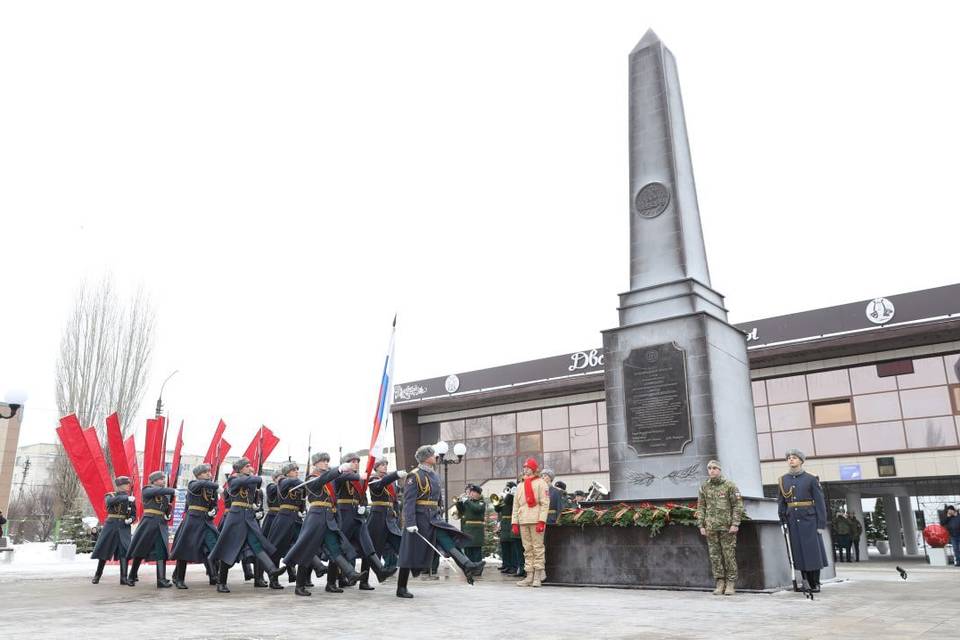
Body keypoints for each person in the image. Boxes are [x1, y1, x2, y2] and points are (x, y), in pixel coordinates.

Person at [396, 445, 484, 598]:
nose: (435, 456)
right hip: (419, 519)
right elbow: (408, 502)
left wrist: (440, 509)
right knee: (408, 553)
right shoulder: (415, 475)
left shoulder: (433, 475)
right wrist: (410, 522)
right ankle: (401, 588)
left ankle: (467, 565)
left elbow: (438, 497)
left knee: (447, 539)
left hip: (433, 518)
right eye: (432, 454)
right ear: (425, 457)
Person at [284, 452, 364, 596]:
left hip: (329, 516)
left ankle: (341, 578)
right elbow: (323, 480)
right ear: (315, 464)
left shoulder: (331, 478)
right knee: (307, 550)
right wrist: (338, 470)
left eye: (327, 461)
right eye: (323, 461)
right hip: (316, 516)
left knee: (335, 547)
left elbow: (344, 477)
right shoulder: (311, 478)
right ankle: (299, 586)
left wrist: (358, 475)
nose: (326, 463)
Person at [208, 458, 285, 593]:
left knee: (257, 545)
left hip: (249, 516)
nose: (250, 468)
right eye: (247, 466)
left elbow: (258, 482)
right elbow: (244, 481)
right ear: (240, 468)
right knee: (229, 549)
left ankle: (272, 570)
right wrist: (254, 477)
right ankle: (221, 582)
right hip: (236, 517)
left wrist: (254, 477)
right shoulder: (233, 479)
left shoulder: (249, 479)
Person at [334, 452, 396, 590]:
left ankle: (378, 571)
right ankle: (333, 581)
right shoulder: (340, 476)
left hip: (357, 515)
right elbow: (341, 480)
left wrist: (362, 505)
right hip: (344, 514)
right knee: (340, 547)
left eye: (357, 461)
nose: (356, 463)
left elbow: (362, 496)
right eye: (353, 461)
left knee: (367, 545)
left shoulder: (360, 479)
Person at [778, 448, 828, 592]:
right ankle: (805, 581)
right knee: (798, 552)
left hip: (809, 520)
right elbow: (782, 502)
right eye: (789, 458)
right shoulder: (783, 480)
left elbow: (819, 502)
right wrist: (782, 520)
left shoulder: (811, 479)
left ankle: (815, 583)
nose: (791, 460)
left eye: (794, 457)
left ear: (801, 460)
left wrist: (821, 524)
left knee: (813, 552)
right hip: (792, 520)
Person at [695, 460, 744, 596]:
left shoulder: (729, 486)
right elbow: (701, 507)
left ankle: (730, 583)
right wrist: (701, 525)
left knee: (728, 555)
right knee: (715, 556)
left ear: (720, 470)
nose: (711, 470)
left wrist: (735, 523)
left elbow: (737, 506)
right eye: (709, 468)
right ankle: (719, 582)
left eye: (714, 468)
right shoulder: (704, 487)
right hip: (710, 527)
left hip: (727, 527)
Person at [169, 463, 221, 589]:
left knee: (213, 546)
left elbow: (213, 504)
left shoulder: (210, 488)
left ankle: (213, 575)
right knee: (185, 550)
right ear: (198, 475)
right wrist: (216, 485)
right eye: (206, 472)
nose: (209, 474)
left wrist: (213, 510)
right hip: (192, 520)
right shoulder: (194, 484)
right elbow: (204, 485)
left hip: (206, 521)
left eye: (209, 471)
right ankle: (179, 578)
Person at [127, 470, 176, 588]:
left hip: (160, 523)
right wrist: (172, 490)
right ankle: (131, 576)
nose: (163, 481)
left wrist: (167, 515)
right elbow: (156, 491)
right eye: (161, 479)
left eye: (164, 479)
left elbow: (165, 509)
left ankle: (161, 579)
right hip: (149, 522)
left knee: (161, 551)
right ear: (154, 481)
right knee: (140, 550)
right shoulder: (147, 489)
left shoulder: (165, 494)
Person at [90, 476, 136, 585]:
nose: (127, 486)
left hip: (124, 527)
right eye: (126, 484)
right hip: (111, 525)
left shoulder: (130, 498)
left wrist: (131, 519)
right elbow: (109, 502)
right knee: (104, 552)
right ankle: (97, 575)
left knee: (124, 552)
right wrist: (126, 498)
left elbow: (134, 514)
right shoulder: (110, 495)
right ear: (120, 486)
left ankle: (123, 578)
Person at [511, 458, 549, 588]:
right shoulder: (520, 485)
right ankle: (529, 575)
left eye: (528, 467)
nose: (525, 469)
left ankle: (538, 576)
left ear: (534, 469)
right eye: (524, 466)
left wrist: (542, 521)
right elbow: (516, 505)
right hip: (523, 520)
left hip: (535, 519)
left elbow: (545, 504)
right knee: (527, 549)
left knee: (537, 548)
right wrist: (514, 522)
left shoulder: (541, 483)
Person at [366, 459, 406, 576]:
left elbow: (395, 497)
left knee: (399, 542)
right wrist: (395, 475)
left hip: (390, 517)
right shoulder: (373, 479)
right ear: (376, 467)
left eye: (386, 464)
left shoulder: (391, 481)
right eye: (382, 465)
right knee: (375, 548)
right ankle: (365, 579)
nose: (385, 467)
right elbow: (380, 484)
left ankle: (403, 566)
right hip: (377, 517)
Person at [455, 484, 486, 565]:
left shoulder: (481, 503)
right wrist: (459, 502)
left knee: (476, 551)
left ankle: (478, 568)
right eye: (471, 492)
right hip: (467, 529)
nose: (471, 494)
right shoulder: (468, 502)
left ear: (478, 494)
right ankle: (469, 567)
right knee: (468, 550)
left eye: (473, 492)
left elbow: (476, 509)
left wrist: (467, 501)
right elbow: (461, 511)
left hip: (477, 531)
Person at [495, 481, 521, 575]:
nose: (507, 489)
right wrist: (497, 502)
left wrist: (509, 494)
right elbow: (498, 509)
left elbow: (510, 502)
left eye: (509, 487)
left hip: (511, 521)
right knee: (504, 545)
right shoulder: (504, 498)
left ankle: (514, 566)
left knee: (512, 546)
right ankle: (506, 565)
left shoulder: (513, 496)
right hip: (504, 523)